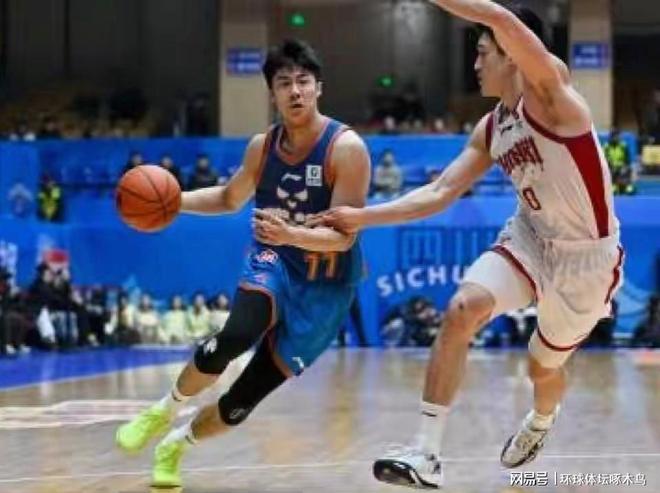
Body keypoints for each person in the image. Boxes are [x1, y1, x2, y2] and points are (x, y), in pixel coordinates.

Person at [312, 2, 623, 488]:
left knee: (541, 368)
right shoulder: (491, 128)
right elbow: (438, 192)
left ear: (512, 53)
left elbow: (503, 21)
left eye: (482, 53)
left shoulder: (551, 93)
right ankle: (426, 453)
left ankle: (542, 419)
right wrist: (362, 217)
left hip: (585, 259)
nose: (475, 64)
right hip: (530, 236)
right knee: (462, 308)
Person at [114, 38, 371, 489]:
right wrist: (173, 202)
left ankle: (176, 444)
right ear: (272, 93)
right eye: (284, 83)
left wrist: (292, 233)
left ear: (319, 88)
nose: (295, 91)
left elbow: (344, 236)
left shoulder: (346, 148)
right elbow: (229, 197)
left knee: (240, 403)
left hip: (326, 286)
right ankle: (163, 410)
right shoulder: (262, 147)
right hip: (275, 260)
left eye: (303, 81)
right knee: (234, 336)